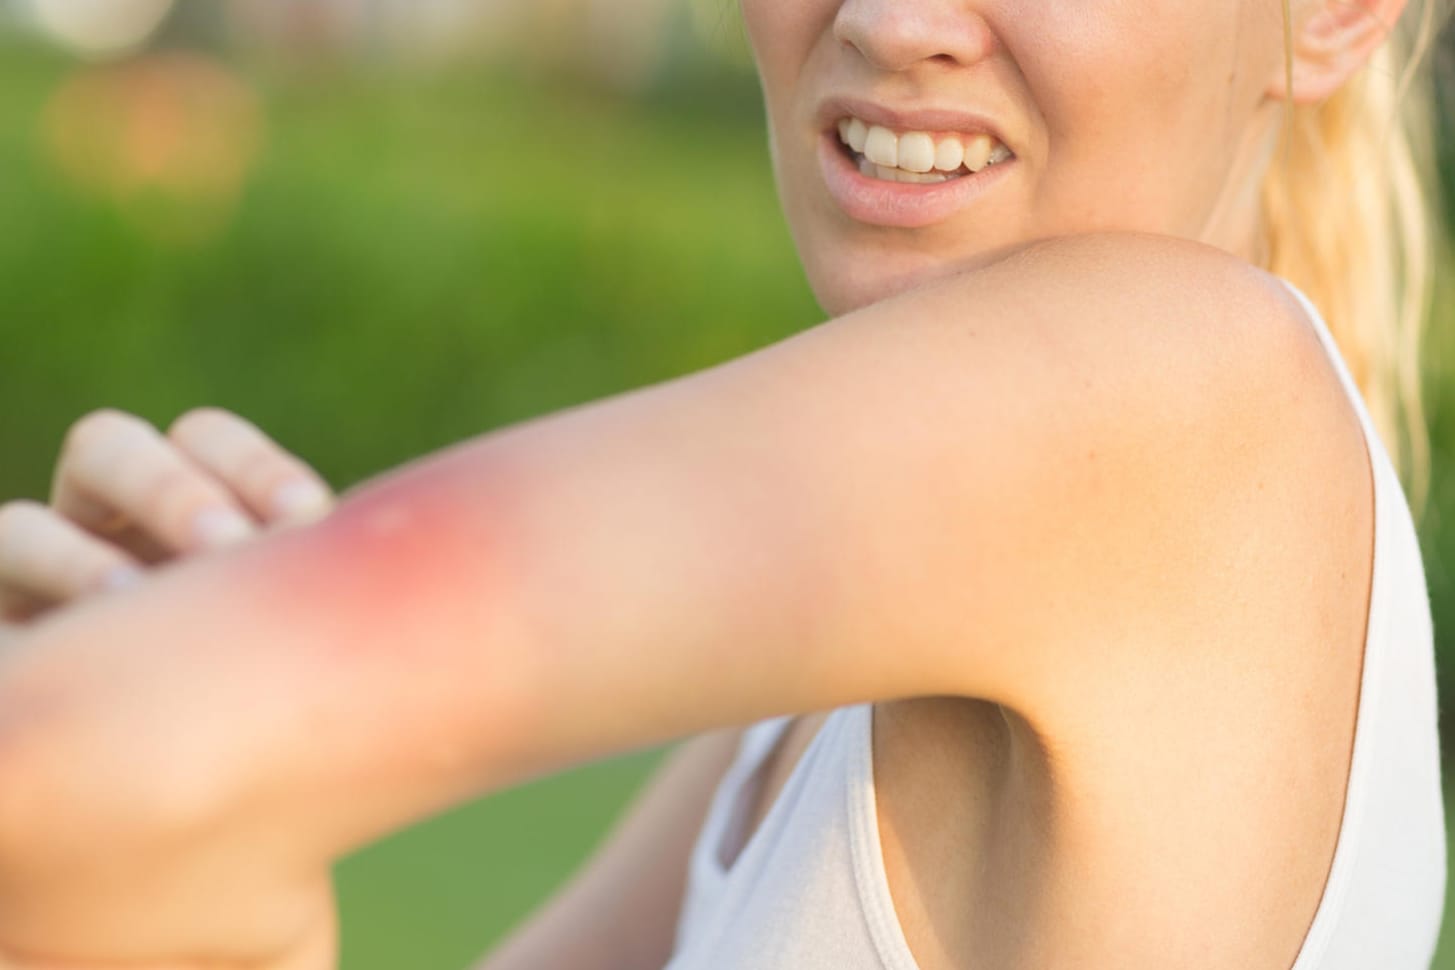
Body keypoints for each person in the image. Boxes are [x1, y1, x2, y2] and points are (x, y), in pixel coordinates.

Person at [0, 0, 1447, 966]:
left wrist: (151, 749)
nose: (888, 16)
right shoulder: (839, 683)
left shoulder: (1177, 391)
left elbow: (62, 757)